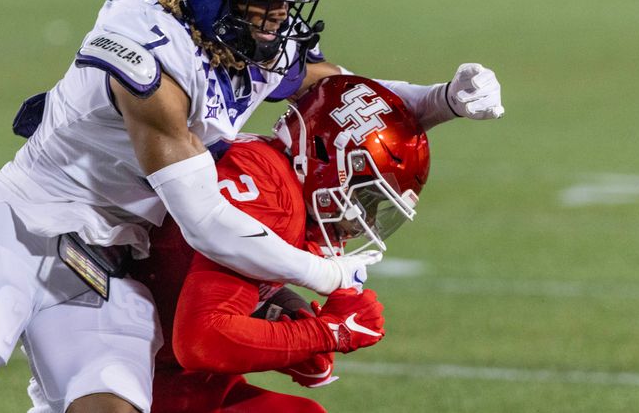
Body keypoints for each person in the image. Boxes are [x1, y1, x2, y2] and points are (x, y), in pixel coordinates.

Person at [0, 0, 504, 413]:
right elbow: (206, 219)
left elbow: (338, 98)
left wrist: (441, 99)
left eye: (285, 6)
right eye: (264, 4)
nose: (278, 23)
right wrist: (326, 275)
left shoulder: (240, 40)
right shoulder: (144, 49)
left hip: (115, 258)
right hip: (23, 225)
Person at [26, 75, 428, 413]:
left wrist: (283, 312)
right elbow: (203, 340)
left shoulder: (272, 176)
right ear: (324, 159)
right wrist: (328, 333)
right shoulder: (274, 200)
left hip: (161, 363)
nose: (363, 221)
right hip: (133, 369)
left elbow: (188, 271)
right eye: (364, 199)